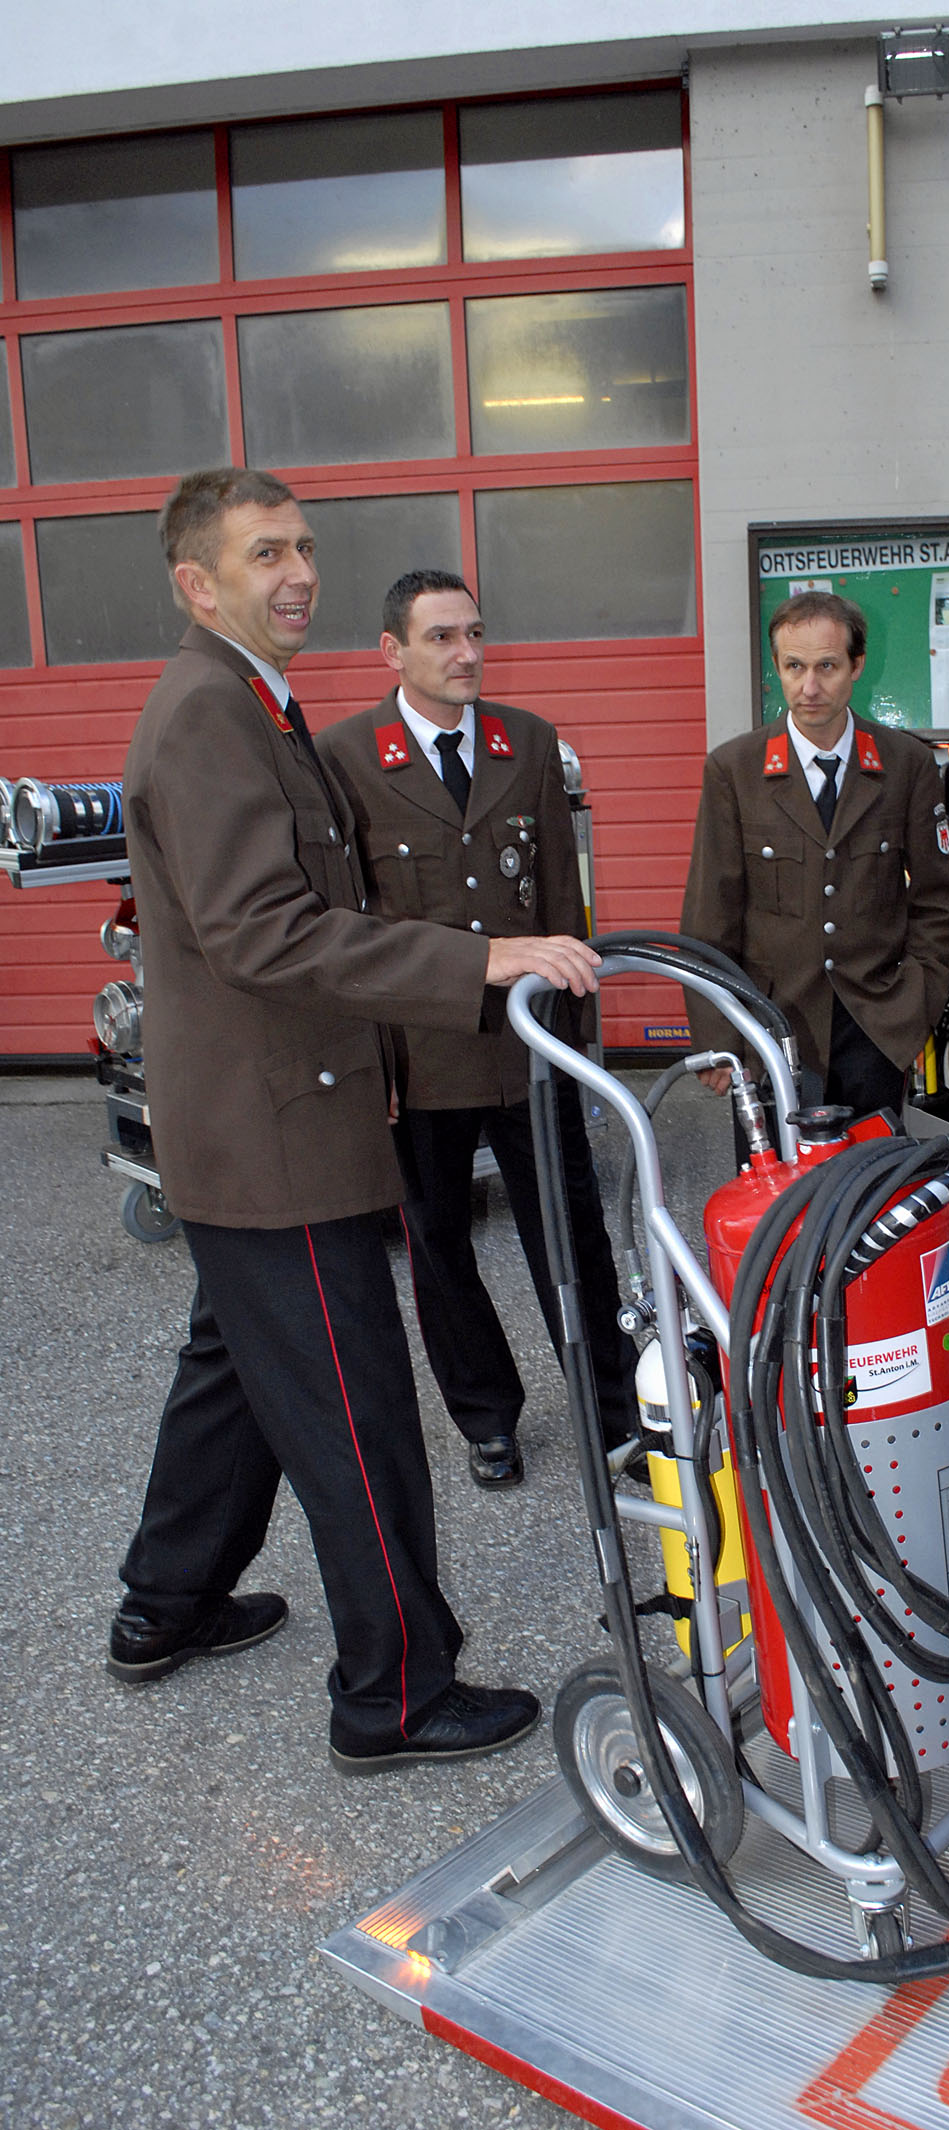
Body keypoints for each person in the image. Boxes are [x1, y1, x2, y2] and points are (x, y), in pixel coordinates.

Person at [108, 467, 600, 1774]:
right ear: (196, 583)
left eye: (304, 548)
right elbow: (266, 933)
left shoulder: (251, 704)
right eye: (265, 554)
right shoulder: (210, 715)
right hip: (276, 1137)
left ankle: (164, 1603)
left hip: (257, 1123)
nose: (299, 575)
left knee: (234, 1376)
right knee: (355, 1415)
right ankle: (394, 1697)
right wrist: (478, 958)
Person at [317, 569, 638, 1490]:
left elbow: (562, 902)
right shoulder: (345, 757)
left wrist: (575, 1042)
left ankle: (614, 1412)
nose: (466, 654)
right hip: (418, 1055)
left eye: (475, 634)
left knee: (571, 1235)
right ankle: (487, 1416)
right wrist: (367, 1059)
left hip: (529, 1048)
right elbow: (346, 925)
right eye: (441, 637)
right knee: (439, 1247)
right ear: (392, 651)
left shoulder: (526, 742)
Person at [680, 590, 949, 1117]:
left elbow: (936, 902)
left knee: (875, 1169)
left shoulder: (906, 765)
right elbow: (709, 918)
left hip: (877, 1028)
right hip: (770, 1031)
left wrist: (915, 1007)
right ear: (777, 668)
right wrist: (718, 1038)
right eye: (795, 667)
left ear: (857, 666)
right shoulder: (735, 770)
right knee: (778, 1173)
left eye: (827, 666)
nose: (809, 687)